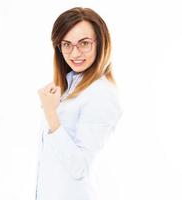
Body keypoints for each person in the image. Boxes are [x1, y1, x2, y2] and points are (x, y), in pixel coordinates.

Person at [36, 7, 123, 200]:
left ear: (100, 43)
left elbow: (79, 167)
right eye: (66, 44)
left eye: (84, 43)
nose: (74, 53)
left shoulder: (101, 93)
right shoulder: (70, 83)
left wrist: (51, 115)